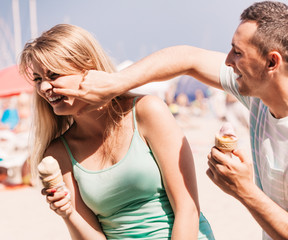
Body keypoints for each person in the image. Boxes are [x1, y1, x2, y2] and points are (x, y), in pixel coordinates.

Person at [50, 2, 288, 239]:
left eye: (237, 52)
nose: (227, 61)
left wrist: (244, 190)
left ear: (272, 62)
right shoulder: (261, 95)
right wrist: (115, 83)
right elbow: (187, 59)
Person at [19, 24, 214, 239]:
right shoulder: (58, 153)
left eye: (53, 75)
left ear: (88, 68)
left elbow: (188, 208)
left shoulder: (147, 111)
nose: (44, 88)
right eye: (38, 79)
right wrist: (67, 213)